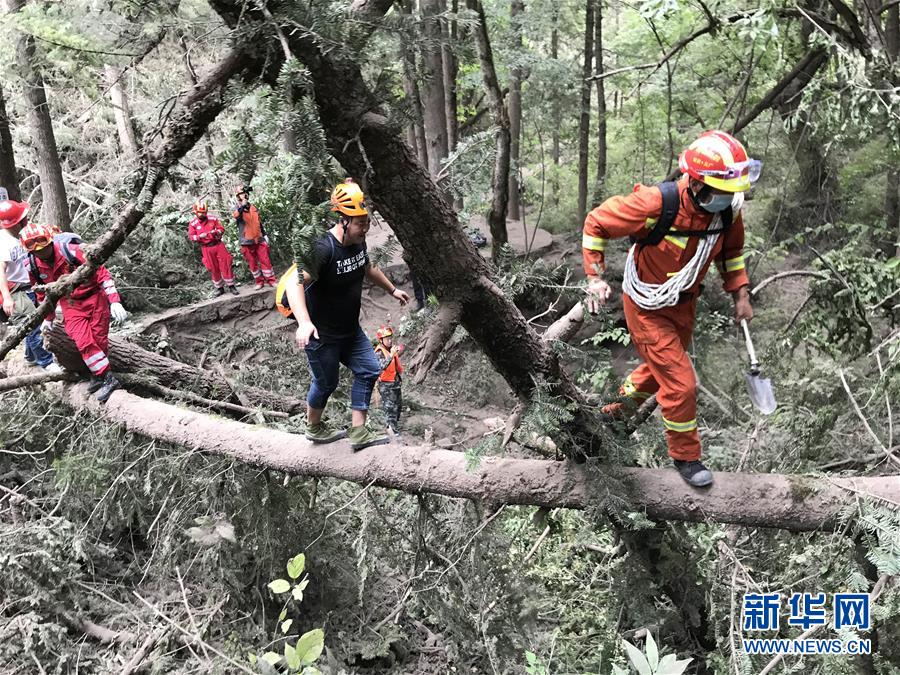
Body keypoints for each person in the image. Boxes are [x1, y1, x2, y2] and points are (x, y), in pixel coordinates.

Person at [582, 130, 757, 488]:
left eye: (732, 193)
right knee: (681, 384)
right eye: (722, 192)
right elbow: (596, 222)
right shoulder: (656, 204)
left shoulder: (727, 214)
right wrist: (595, 276)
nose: (729, 199)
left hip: (683, 305)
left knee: (657, 370)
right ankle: (686, 457)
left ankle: (611, 417)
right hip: (645, 307)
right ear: (694, 183)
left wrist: (740, 294)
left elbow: (731, 254)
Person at [283, 179, 411, 450]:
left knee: (368, 369)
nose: (365, 227)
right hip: (323, 335)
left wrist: (392, 290)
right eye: (359, 223)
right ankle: (314, 427)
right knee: (326, 383)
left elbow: (367, 267)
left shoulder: (358, 242)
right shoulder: (323, 248)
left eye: (366, 221)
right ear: (342, 220)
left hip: (349, 330)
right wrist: (304, 323)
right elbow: (295, 283)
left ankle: (358, 432)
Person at [20, 223, 128, 402]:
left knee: (98, 341)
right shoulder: (32, 265)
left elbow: (102, 274)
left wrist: (114, 301)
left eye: (42, 244)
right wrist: (48, 318)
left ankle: (98, 375)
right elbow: (43, 294)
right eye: (34, 248)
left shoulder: (71, 251)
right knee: (83, 341)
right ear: (29, 250)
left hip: (95, 299)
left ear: (49, 241)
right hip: (70, 304)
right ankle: (108, 378)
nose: (40, 251)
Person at [0, 199, 60, 371]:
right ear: (15, 222)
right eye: (23, 218)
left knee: (35, 321)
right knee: (32, 324)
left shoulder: (22, 234)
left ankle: (30, 356)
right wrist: (7, 298)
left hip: (30, 285)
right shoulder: (3, 243)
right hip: (14, 289)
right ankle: (46, 362)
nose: (27, 219)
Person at [188, 201, 238, 297]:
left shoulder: (213, 218)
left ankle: (231, 286)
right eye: (200, 212)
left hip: (218, 245)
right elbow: (191, 237)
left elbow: (221, 229)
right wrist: (199, 237)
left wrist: (217, 232)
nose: (202, 214)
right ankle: (219, 288)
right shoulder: (193, 223)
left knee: (226, 264)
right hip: (206, 248)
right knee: (213, 267)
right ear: (196, 212)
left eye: (204, 212)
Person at [233, 185, 276, 289]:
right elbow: (236, 216)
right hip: (246, 241)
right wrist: (242, 206)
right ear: (238, 196)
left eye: (245, 193)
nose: (244, 195)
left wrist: (264, 234)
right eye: (241, 194)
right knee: (253, 264)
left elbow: (259, 222)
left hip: (259, 239)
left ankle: (271, 280)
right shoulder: (237, 209)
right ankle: (259, 282)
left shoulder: (253, 207)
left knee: (266, 261)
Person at [373, 325, 404, 434]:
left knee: (399, 406)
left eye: (391, 338)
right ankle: (393, 433)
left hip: (395, 383)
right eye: (387, 339)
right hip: (386, 385)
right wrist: (391, 355)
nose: (390, 341)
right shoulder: (379, 352)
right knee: (390, 409)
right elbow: (382, 366)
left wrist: (398, 350)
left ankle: (393, 427)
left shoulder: (390, 349)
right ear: (381, 340)